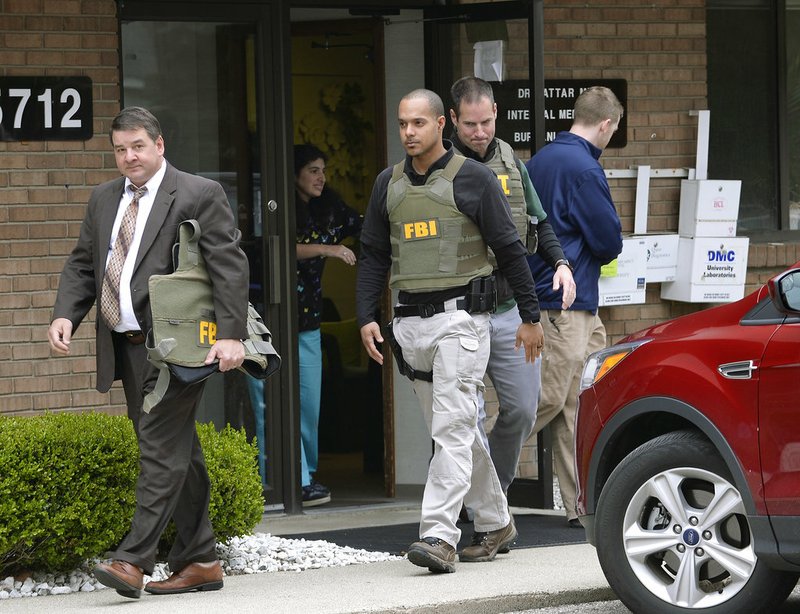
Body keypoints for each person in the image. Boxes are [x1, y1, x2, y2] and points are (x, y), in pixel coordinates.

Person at [47, 106, 249, 599]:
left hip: (180, 347)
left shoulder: (199, 193)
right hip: (128, 347)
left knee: (158, 444)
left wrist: (231, 334)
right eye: (120, 149)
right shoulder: (103, 198)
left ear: (160, 145)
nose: (129, 157)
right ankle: (200, 559)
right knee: (178, 449)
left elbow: (228, 265)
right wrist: (66, 314)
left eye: (138, 146)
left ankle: (132, 560)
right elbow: (83, 263)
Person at [356, 89, 544, 573]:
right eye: (402, 124)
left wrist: (530, 316)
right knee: (457, 430)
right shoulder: (388, 184)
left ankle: (439, 535)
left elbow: (509, 248)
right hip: (409, 326)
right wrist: (366, 317)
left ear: (442, 124)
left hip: (462, 322)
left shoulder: (476, 179)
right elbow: (375, 254)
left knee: (452, 430)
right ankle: (497, 520)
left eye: (418, 123)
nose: (408, 133)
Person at [448, 77, 576, 508]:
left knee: (522, 409)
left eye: (485, 122)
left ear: (497, 114)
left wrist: (560, 264)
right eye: (469, 125)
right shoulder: (438, 168)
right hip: (460, 312)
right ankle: (481, 509)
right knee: (464, 418)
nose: (479, 132)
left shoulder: (511, 163)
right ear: (452, 120)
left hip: (509, 309)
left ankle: (492, 493)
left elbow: (539, 222)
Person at [525, 86, 624, 528]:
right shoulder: (585, 168)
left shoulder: (540, 159)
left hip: (555, 299)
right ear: (605, 124)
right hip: (567, 302)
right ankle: (473, 471)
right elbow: (608, 241)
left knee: (574, 404)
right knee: (547, 401)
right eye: (614, 128)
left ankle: (577, 503)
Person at [294, 143, 363, 507]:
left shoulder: (330, 209)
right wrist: (328, 250)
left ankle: (307, 474)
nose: (321, 177)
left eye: (323, 169)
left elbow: (364, 227)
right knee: (270, 406)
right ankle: (290, 479)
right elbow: (277, 246)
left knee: (308, 403)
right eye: (313, 170)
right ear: (294, 174)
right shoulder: (275, 204)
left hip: (308, 319)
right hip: (269, 317)